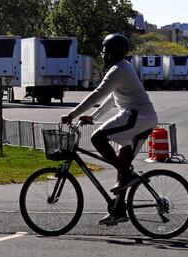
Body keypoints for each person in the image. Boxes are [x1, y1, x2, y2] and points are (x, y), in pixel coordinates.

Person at [62, 33, 158, 225]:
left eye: (105, 53)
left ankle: (127, 173)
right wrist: (94, 117)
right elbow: (111, 98)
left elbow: (97, 94)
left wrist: (72, 114)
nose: (103, 57)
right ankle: (119, 211)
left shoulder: (118, 70)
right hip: (143, 118)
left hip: (136, 116)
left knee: (97, 138)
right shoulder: (123, 68)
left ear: (113, 53)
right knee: (122, 165)